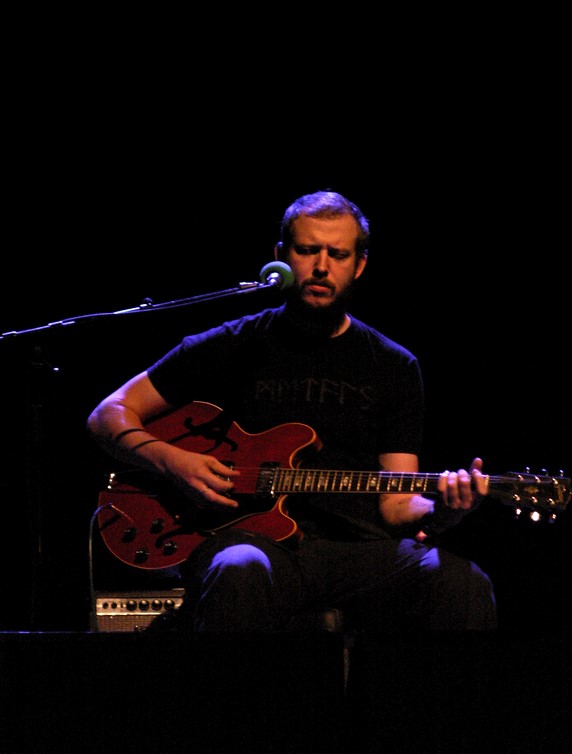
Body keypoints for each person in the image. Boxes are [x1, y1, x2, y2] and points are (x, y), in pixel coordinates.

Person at [86, 190, 497, 636]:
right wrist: (174, 461)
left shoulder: (394, 365)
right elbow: (109, 413)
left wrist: (445, 509)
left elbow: (397, 502)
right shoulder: (233, 343)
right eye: (307, 250)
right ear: (280, 257)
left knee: (462, 584)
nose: (322, 266)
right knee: (238, 569)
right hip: (251, 542)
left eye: (338, 254)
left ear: (358, 265)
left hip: (355, 553)